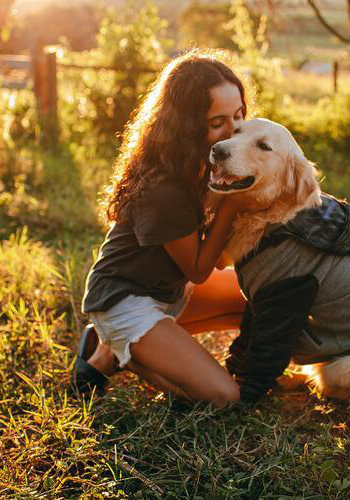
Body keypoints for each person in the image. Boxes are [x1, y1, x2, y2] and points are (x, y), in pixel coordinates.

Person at [73, 50, 248, 407]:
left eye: (239, 115)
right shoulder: (163, 188)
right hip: (125, 300)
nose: (234, 132)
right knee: (224, 396)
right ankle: (119, 350)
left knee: (260, 295)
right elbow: (200, 270)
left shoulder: (205, 164)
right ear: (187, 125)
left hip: (169, 293)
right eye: (218, 123)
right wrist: (231, 201)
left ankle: (116, 348)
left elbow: (219, 261)